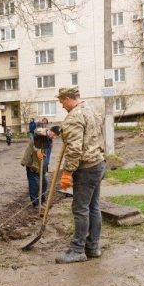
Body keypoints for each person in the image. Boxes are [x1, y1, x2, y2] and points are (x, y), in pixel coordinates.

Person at [55, 86, 107, 264]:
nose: (62, 106)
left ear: (68, 98)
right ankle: (93, 247)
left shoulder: (73, 118)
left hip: (86, 169)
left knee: (80, 209)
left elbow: (74, 149)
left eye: (62, 102)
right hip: (99, 163)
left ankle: (78, 250)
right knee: (93, 207)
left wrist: (67, 172)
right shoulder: (92, 110)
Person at [20, 126, 60, 209]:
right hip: (33, 165)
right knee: (35, 185)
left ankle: (42, 201)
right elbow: (36, 146)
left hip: (42, 166)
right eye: (55, 135)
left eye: (57, 136)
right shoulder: (40, 134)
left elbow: (48, 153)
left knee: (44, 183)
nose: (55, 137)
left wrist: (47, 163)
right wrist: (39, 153)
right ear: (51, 131)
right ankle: (36, 204)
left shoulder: (50, 140)